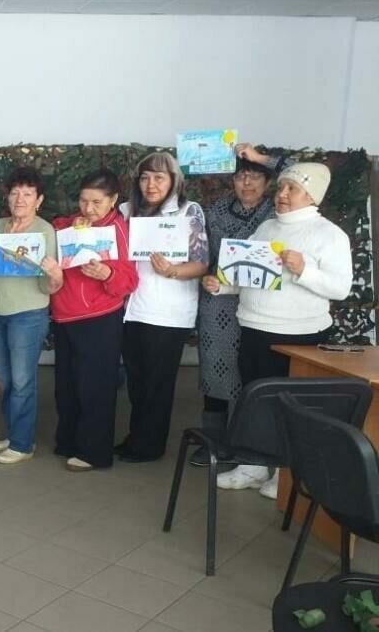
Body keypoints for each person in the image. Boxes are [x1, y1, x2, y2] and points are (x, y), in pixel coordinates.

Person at [205, 162, 352, 498]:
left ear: (312, 195)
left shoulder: (329, 235)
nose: (282, 194)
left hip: (301, 337)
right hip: (255, 327)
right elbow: (250, 277)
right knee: (253, 399)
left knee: (291, 405)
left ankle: (285, 474)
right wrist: (221, 286)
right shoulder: (268, 229)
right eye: (282, 187)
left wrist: (304, 270)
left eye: (292, 189)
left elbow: (340, 288)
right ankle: (253, 466)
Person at [191, 145, 285, 466]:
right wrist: (204, 276)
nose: (247, 182)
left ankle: (249, 444)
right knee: (216, 370)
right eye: (241, 176)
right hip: (219, 304)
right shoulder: (214, 211)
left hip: (262, 306)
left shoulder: (278, 214)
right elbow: (202, 256)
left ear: (268, 181)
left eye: (255, 175)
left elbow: (299, 172)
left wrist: (259, 157)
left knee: (253, 375)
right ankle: (214, 442)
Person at [43, 169, 138, 471]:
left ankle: (94, 452)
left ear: (113, 201)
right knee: (67, 385)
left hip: (99, 318)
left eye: (97, 202)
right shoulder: (67, 226)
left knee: (95, 387)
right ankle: (69, 441)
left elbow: (130, 280)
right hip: (65, 315)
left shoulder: (117, 229)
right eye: (84, 201)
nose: (89, 209)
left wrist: (108, 274)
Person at [117, 152, 209, 463]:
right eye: (145, 177)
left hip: (168, 313)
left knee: (158, 383)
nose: (151, 184)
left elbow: (201, 263)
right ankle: (136, 438)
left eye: (159, 177)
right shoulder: (128, 211)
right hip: (132, 310)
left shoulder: (188, 211)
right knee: (138, 381)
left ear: (173, 180)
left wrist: (172, 270)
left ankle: (150, 446)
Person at [0, 166, 57, 464]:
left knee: (23, 380)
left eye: (27, 194)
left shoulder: (44, 230)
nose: (20, 199)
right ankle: (14, 434)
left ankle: (23, 444)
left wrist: (54, 275)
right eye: (14, 193)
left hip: (28, 313)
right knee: (4, 378)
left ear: (39, 200)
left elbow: (50, 283)